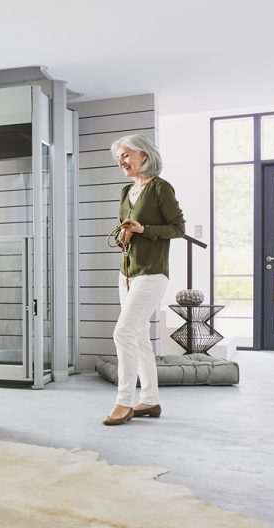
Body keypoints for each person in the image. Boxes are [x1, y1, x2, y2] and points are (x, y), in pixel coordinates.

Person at [104, 134, 185, 426]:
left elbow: (177, 228)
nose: (121, 162)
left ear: (144, 156)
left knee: (123, 332)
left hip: (151, 272)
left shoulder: (161, 188)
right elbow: (128, 227)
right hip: (126, 272)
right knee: (138, 337)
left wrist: (144, 229)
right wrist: (127, 231)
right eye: (118, 158)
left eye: (126, 155)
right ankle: (150, 400)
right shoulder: (127, 190)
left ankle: (123, 402)